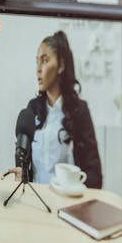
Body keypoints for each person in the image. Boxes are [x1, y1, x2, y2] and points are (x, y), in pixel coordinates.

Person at [20, 30, 102, 189]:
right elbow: (25, 165)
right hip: (36, 201)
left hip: (68, 203)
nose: (38, 69)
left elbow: (95, 175)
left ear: (61, 65)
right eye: (37, 61)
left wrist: (75, 189)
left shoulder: (79, 111)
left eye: (45, 60)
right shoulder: (33, 108)